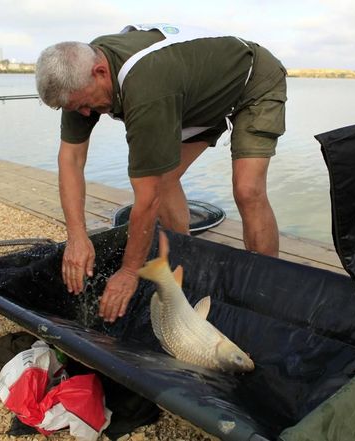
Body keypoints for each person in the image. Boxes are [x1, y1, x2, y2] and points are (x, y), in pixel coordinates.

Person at [36, 23, 287, 323]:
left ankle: (267, 291)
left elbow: (148, 198)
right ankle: (186, 262)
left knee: (247, 189)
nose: (86, 115)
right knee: (165, 178)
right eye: (77, 108)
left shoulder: (144, 88)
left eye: (87, 105)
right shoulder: (77, 77)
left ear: (100, 72)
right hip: (190, 98)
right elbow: (71, 159)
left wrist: (130, 271)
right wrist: (77, 236)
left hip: (252, 82)